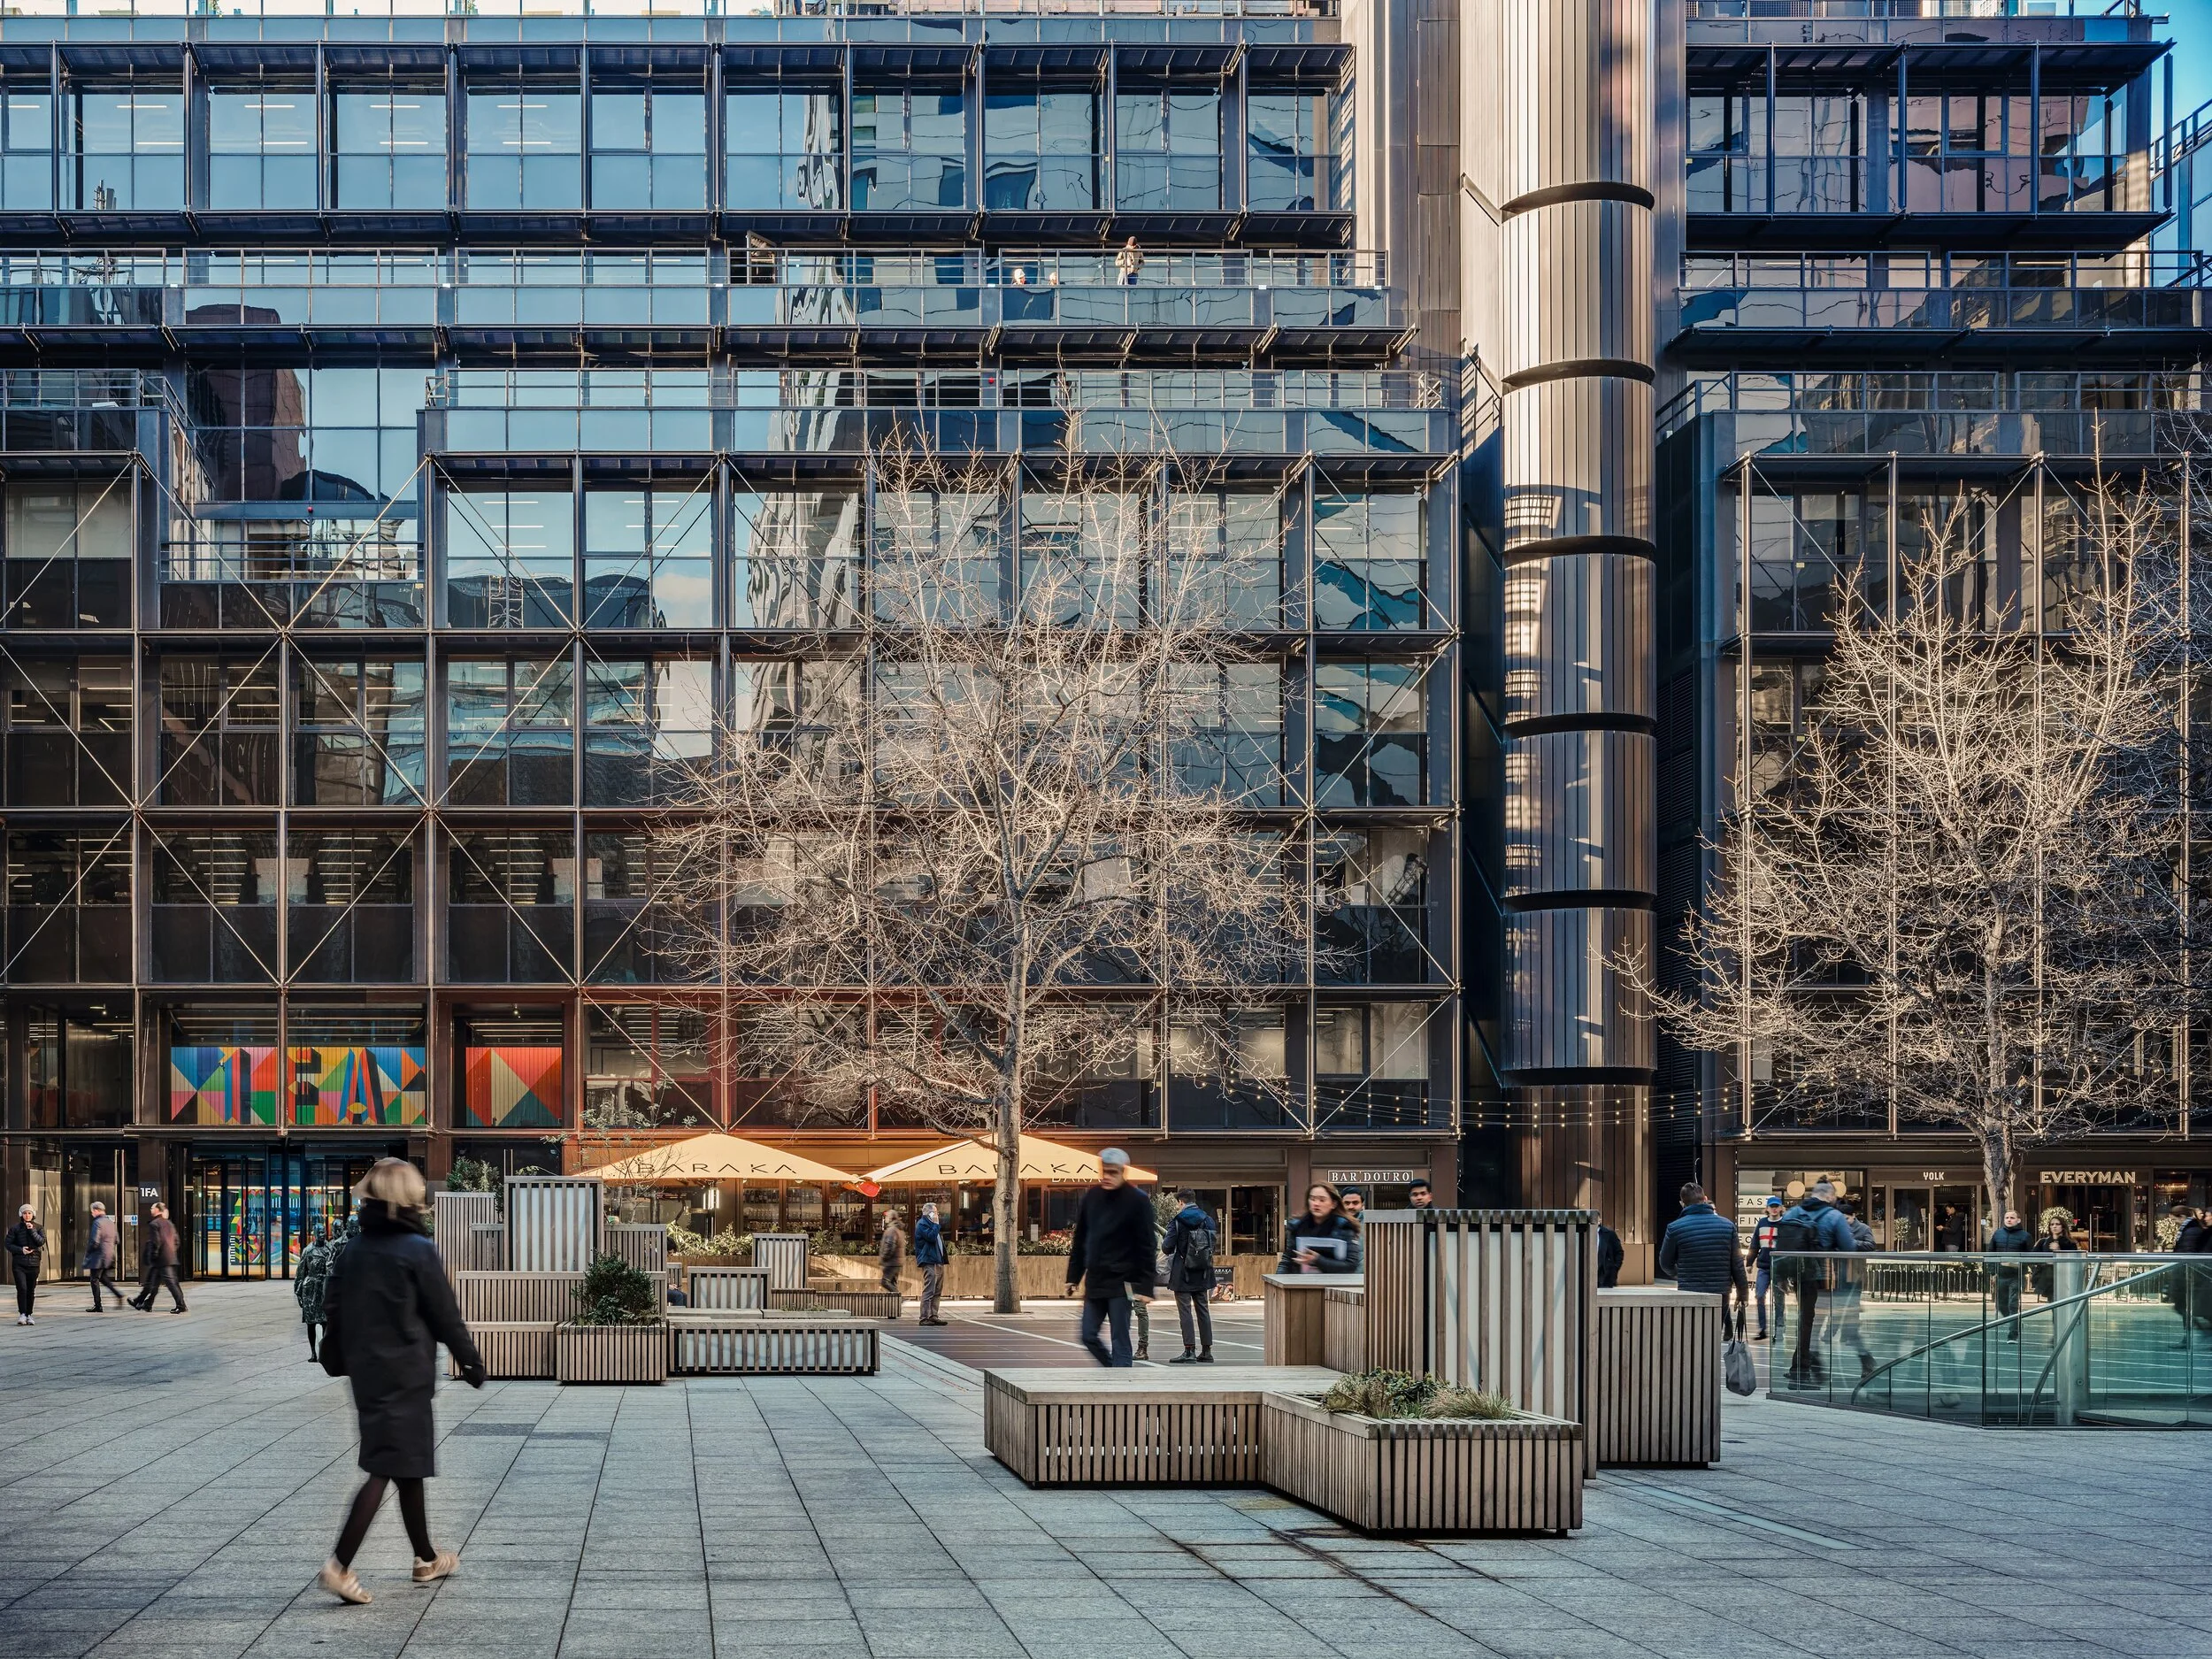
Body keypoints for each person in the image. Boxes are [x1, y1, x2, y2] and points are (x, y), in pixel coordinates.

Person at [317, 1158, 485, 1606]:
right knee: (386, 1467)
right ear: (409, 1196)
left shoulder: (353, 1250)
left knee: (407, 1464)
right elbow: (443, 1314)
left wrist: (336, 1355)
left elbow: (332, 1308)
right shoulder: (416, 1250)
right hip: (406, 1376)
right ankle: (339, 1565)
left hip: (368, 1376)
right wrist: (470, 1362)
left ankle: (426, 1559)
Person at [1064, 1148, 1156, 1367]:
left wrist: (1145, 1287)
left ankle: (1122, 1384)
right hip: (1096, 1280)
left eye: (1113, 1172)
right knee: (1087, 1335)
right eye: (1104, 1171)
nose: (1107, 1176)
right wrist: (1073, 1277)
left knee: (1120, 1339)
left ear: (1123, 1172)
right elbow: (1081, 1239)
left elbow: (1147, 1245)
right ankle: (1113, 1370)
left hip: (1122, 1282)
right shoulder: (1092, 1197)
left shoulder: (1138, 1201)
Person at [1773, 1181, 1854, 1386]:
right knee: (1815, 1324)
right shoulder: (1834, 1216)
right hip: (1824, 1277)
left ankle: (1802, 1366)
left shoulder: (1793, 1213)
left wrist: (1782, 1277)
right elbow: (1849, 1248)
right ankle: (1806, 1365)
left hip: (1799, 1276)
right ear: (1830, 1196)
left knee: (1807, 1322)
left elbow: (1782, 1246)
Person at [1655, 1183, 1746, 1306]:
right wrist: (1742, 1294)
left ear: (1682, 1203)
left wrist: (1679, 1274)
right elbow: (1737, 1264)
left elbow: (1665, 1262)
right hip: (1720, 1291)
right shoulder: (1728, 1226)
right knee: (1716, 1325)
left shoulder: (1674, 1228)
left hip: (1689, 1290)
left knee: (1690, 1325)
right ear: (1705, 1199)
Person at [1161, 1189, 1218, 1364]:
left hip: (1182, 1272)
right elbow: (1212, 1245)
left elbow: (1167, 1247)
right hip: (1203, 1271)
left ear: (1181, 1202)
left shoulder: (1177, 1221)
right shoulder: (1208, 1219)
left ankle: (1189, 1351)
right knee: (1203, 1310)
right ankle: (1207, 1351)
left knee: (1185, 1311)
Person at [1279, 1183, 1362, 1275]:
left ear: (1333, 1204)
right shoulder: (1297, 1226)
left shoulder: (1345, 1227)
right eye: (1312, 1199)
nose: (1316, 1204)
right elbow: (1287, 1261)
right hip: (1301, 1285)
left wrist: (1317, 1260)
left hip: (1335, 1285)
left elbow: (1351, 1266)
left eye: (1322, 1200)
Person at [1985, 1209, 2034, 1340]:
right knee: (2000, 1305)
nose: (2009, 1220)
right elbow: (1991, 1253)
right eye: (2007, 1217)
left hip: (2016, 1276)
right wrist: (1992, 1272)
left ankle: (2013, 1334)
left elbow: (2031, 1257)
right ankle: (2015, 1323)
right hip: (2001, 1275)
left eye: (2012, 1218)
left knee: (2013, 1304)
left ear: (2018, 1220)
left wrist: (2020, 1265)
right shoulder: (1997, 1234)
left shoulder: (2025, 1236)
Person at [131, 1202, 187, 1314]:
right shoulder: (169, 1224)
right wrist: (170, 1251)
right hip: (168, 1257)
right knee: (152, 1282)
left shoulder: (154, 1224)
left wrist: (154, 1255)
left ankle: (181, 1305)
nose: (151, 1210)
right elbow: (176, 1241)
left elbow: (156, 1242)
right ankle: (143, 1303)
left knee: (171, 1284)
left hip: (161, 1259)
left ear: (158, 1210)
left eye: (152, 1208)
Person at [296, 1225, 337, 1360]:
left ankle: (324, 1351)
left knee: (326, 1321)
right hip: (311, 1289)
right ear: (314, 1234)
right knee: (311, 1323)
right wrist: (298, 1291)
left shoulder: (331, 1248)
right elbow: (301, 1272)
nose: (322, 1235)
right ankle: (313, 1352)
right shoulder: (308, 1250)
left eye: (323, 1232)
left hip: (325, 1287)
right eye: (319, 1232)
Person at [1747, 1195, 1784, 1340]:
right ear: (1767, 1209)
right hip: (1764, 1266)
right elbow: (1755, 1243)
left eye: (1776, 1206)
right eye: (1771, 1206)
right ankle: (1763, 1328)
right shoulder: (1762, 1223)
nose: (1774, 1209)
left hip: (1780, 1267)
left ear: (1781, 1208)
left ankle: (1779, 1328)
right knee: (1759, 1295)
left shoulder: (1785, 1224)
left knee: (1779, 1299)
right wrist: (1749, 1262)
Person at [2029, 1210, 2080, 1304]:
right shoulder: (2043, 1242)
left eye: (2057, 1224)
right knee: (2052, 1302)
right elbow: (2032, 1258)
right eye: (2052, 1224)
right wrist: (2041, 1265)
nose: (2054, 1226)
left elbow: (2074, 1259)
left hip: (2064, 1278)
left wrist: (2059, 1250)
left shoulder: (2070, 1242)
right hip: (2047, 1279)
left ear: (2063, 1227)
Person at [83, 1200, 124, 1312]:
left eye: (92, 1212)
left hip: (98, 1256)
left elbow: (94, 1241)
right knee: (104, 1278)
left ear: (96, 1211)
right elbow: (117, 1240)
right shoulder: (111, 1222)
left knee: (94, 1279)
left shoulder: (97, 1222)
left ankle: (98, 1305)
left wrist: (88, 1252)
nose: (92, 1214)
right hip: (109, 1255)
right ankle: (119, 1295)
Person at [7, 1203, 45, 1325]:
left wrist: (32, 1230)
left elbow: (40, 1242)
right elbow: (8, 1244)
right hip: (19, 1263)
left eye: (29, 1213)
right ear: (21, 1215)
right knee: (22, 1288)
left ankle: (29, 1314)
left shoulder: (39, 1227)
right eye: (24, 1213)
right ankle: (22, 1314)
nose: (27, 1215)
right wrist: (21, 1250)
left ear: (33, 1214)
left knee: (31, 1290)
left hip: (34, 1264)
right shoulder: (15, 1228)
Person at [913, 1202, 947, 1326]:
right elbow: (931, 1237)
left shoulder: (931, 1225)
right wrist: (936, 1223)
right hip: (929, 1260)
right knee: (929, 1290)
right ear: (930, 1213)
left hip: (937, 1260)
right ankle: (924, 1317)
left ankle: (933, 1315)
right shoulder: (922, 1224)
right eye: (936, 1212)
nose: (938, 1214)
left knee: (937, 1290)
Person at [877, 1212, 904, 1312]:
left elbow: (890, 1246)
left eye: (887, 1217)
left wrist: (884, 1258)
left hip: (892, 1261)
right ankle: (893, 1310)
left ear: (891, 1218)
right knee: (892, 1282)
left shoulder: (892, 1230)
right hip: (897, 1261)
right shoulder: (898, 1229)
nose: (886, 1218)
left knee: (885, 1282)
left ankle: (899, 1297)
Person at [1594, 1209, 1624, 1289]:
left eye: (1596, 1218)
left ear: (1600, 1220)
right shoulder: (1583, 1234)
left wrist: (1615, 1268)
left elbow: (1619, 1252)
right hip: (1588, 1274)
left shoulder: (1609, 1234)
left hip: (1606, 1275)